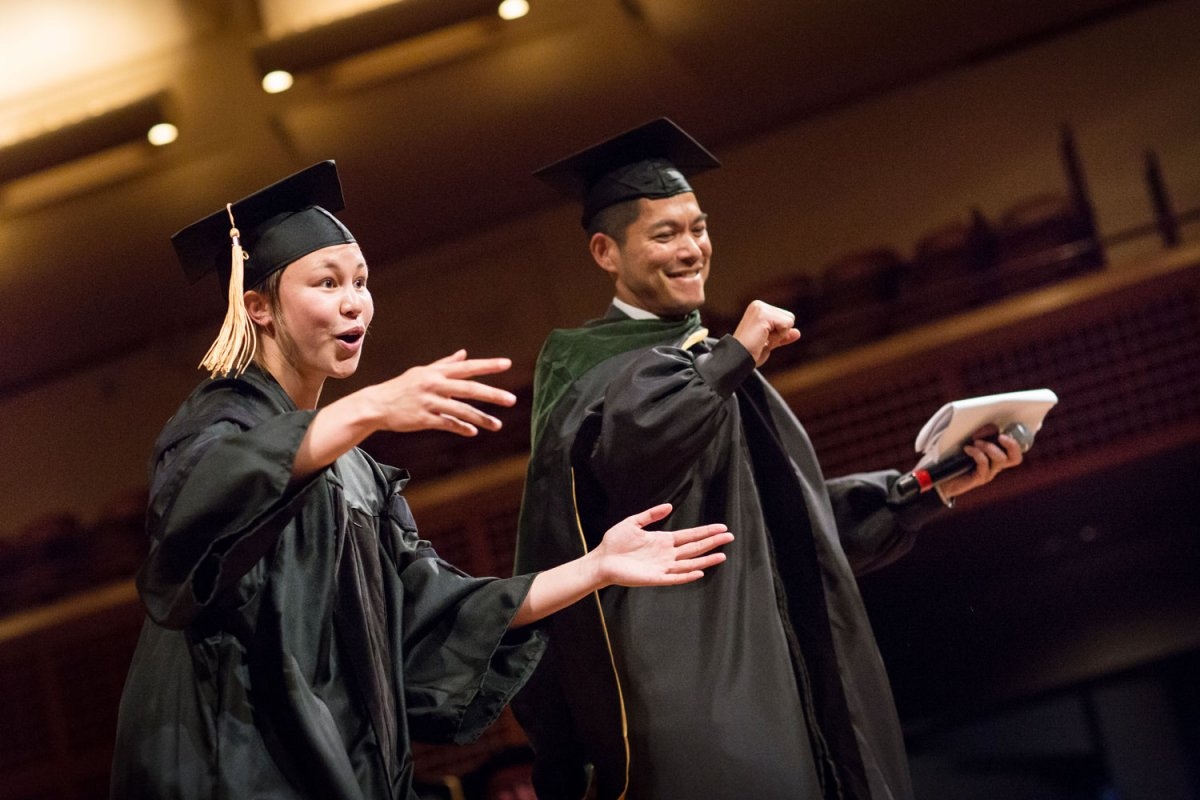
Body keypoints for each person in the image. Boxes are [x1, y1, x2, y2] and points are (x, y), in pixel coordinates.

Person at [109, 160, 734, 800]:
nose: (354, 302)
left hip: (346, 761)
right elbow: (199, 522)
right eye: (326, 283)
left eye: (360, 281)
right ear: (258, 307)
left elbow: (432, 612)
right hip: (232, 761)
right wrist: (371, 408)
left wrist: (596, 567)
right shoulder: (218, 423)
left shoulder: (358, 473)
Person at [511, 119, 1026, 799]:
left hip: (785, 680)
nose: (692, 249)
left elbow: (786, 528)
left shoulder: (710, 361)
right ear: (606, 252)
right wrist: (731, 357)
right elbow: (637, 463)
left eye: (698, 228)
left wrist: (926, 484)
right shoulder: (586, 364)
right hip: (688, 690)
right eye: (666, 234)